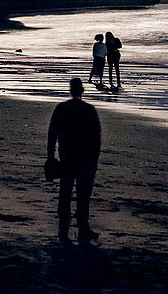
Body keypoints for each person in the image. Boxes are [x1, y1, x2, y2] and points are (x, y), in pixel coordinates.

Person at [46, 78, 101, 242]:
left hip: (67, 157)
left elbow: (52, 135)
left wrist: (50, 157)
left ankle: (63, 230)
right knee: (83, 195)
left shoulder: (61, 108)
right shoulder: (89, 110)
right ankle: (83, 228)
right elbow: (96, 138)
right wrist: (94, 160)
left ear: (71, 90)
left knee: (65, 193)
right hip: (85, 159)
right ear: (82, 91)